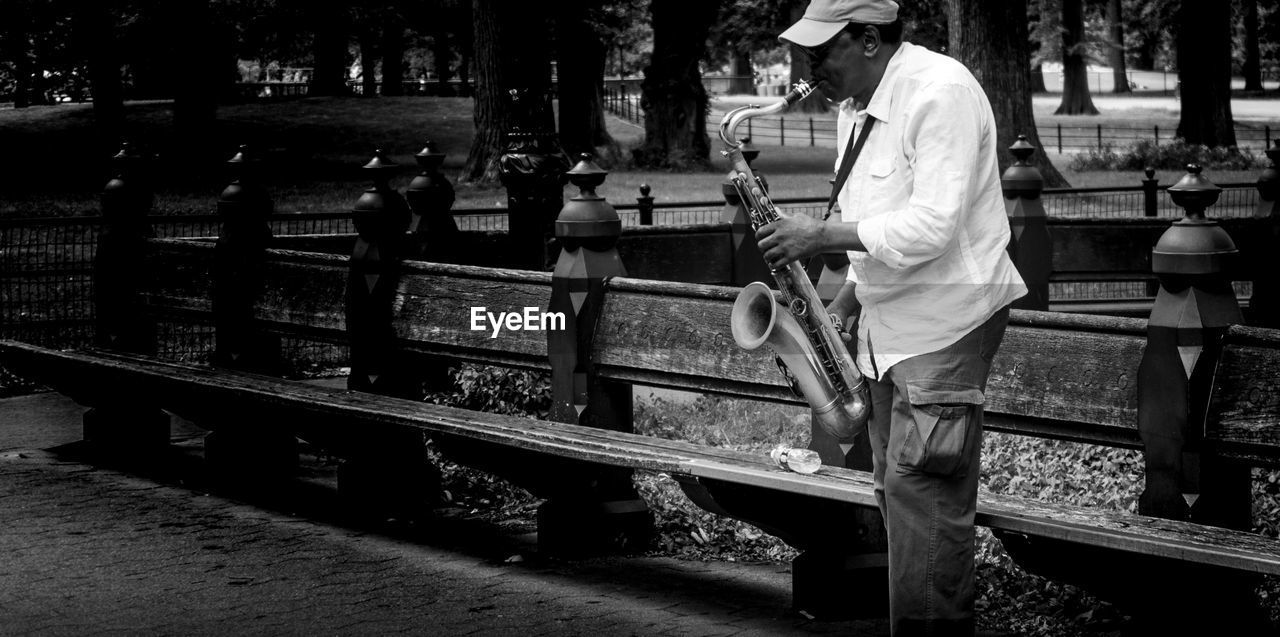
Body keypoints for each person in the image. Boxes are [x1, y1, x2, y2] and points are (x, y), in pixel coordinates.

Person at [762, 1, 1028, 635]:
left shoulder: (940, 93)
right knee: (897, 491)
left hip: (945, 317)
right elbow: (877, 213)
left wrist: (821, 234)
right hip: (891, 322)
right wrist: (848, 301)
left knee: (925, 496)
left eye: (821, 52)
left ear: (871, 40)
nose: (807, 68)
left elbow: (933, 226)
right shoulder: (858, 108)